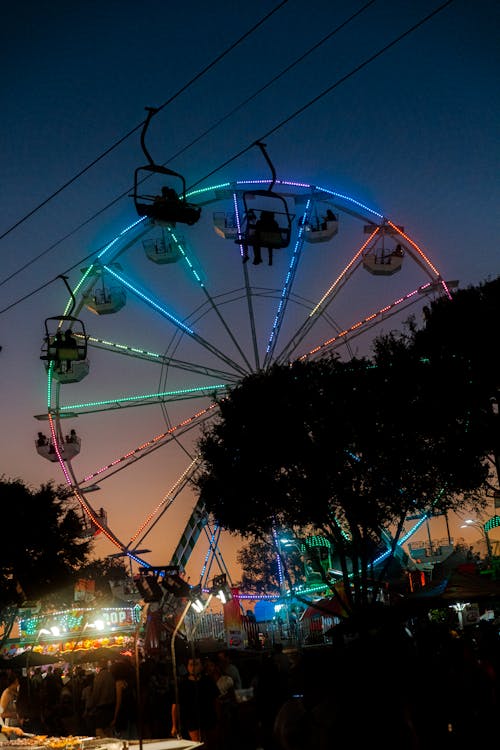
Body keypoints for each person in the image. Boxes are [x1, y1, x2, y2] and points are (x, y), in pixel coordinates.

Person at [171, 655, 219, 747]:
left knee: (213, 744)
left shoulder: (208, 681)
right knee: (198, 745)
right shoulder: (183, 685)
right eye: (191, 665)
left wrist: (218, 717)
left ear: (201, 666)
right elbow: (175, 705)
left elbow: (216, 700)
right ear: (187, 667)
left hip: (209, 718)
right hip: (192, 720)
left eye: (196, 664)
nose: (193, 667)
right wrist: (174, 725)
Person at [109, 660, 137, 740]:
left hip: (123, 712)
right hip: (131, 710)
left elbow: (119, 701)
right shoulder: (128, 681)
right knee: (133, 734)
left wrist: (115, 717)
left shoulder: (118, 683)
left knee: (124, 737)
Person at [89, 659, 116, 738]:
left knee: (99, 731)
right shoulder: (111, 675)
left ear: (99, 666)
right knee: (109, 730)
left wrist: (92, 706)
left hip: (102, 708)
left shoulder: (99, 677)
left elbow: (96, 693)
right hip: (111, 706)